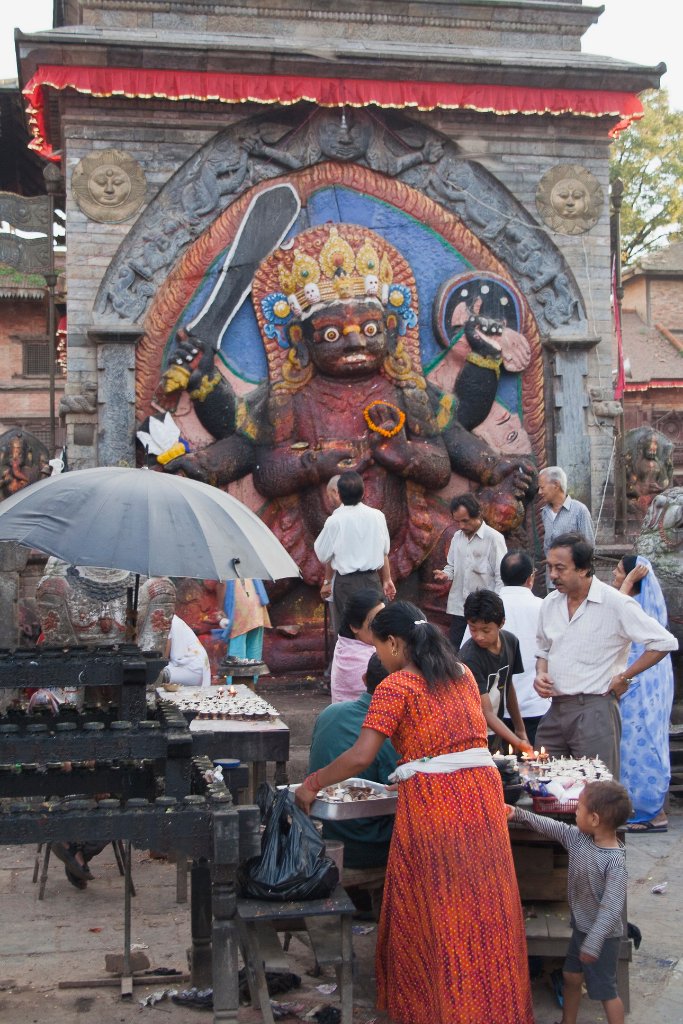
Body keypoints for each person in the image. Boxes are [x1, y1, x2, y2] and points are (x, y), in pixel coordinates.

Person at [296, 601, 534, 1024]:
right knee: (485, 908)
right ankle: (496, 1009)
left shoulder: (397, 686)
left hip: (436, 803)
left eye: (378, 647)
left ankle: (444, 1011)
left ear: (393, 642)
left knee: (435, 908)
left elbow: (360, 756)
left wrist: (312, 783)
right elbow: (455, 742)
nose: (379, 658)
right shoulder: (461, 675)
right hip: (481, 796)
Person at [534, 533, 678, 779]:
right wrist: (540, 674)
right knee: (549, 788)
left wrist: (626, 676)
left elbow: (664, 642)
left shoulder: (616, 603)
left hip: (595, 709)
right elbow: (543, 649)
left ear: (583, 569)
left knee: (598, 794)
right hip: (555, 710)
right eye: (550, 568)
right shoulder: (550, 603)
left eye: (560, 568)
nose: (553, 575)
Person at [508, 781, 632, 1024]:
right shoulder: (580, 839)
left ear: (594, 819)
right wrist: (520, 814)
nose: (575, 812)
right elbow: (553, 827)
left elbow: (611, 909)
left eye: (579, 808)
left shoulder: (614, 863)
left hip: (603, 938)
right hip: (581, 930)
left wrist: (594, 943)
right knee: (571, 977)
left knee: (606, 991)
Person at [309, 654, 397, 871]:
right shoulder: (392, 733)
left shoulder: (329, 713)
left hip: (322, 836)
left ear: (365, 679)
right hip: (366, 850)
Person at [613, 554, 675, 833]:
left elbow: (614, 611)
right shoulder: (639, 606)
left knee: (643, 744)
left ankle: (650, 812)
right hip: (640, 688)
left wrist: (626, 583)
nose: (615, 576)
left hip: (640, 690)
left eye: (618, 572)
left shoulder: (635, 608)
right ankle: (649, 809)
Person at [314, 470, 395, 624]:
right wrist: (387, 579)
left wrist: (327, 581)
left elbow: (323, 555)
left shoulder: (335, 521)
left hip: (346, 584)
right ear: (363, 492)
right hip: (372, 581)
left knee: (348, 630)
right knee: (374, 629)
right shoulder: (378, 516)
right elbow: (385, 551)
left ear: (339, 493)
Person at [458, 589, 532, 755]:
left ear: (501, 623)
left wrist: (520, 729)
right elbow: (486, 712)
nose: (479, 637)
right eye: (473, 629)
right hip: (471, 735)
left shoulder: (511, 642)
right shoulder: (469, 657)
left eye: (486, 630)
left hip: (496, 730)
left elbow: (508, 685)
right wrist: (519, 743)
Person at [432, 491, 507, 649]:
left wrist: (497, 607)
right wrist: (445, 574)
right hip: (460, 607)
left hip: (484, 611)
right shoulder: (457, 538)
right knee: (455, 650)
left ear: (478, 514)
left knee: (482, 650)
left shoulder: (494, 539)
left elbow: (502, 577)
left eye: (465, 521)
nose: (462, 526)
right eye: (458, 522)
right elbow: (451, 566)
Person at [499, 550, 549, 746]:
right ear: (531, 578)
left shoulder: (487, 606)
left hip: (496, 710)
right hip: (535, 703)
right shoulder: (544, 607)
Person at [539, 466, 595, 589]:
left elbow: (589, 546)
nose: (539, 492)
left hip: (574, 580)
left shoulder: (579, 510)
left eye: (542, 488)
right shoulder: (544, 513)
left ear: (556, 484)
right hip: (552, 580)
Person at [330, 589, 386, 703]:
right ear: (354, 627)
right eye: (375, 622)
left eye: (385, 619)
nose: (384, 627)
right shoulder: (364, 660)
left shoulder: (344, 643)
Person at [217, 578, 270, 687]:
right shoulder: (249, 563)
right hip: (258, 606)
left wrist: (220, 609)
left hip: (240, 607)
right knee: (254, 648)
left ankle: (235, 686)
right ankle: (251, 684)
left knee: (237, 650)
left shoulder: (224, 563)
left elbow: (222, 584)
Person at [162, 614, 211, 687]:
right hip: (185, 665)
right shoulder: (168, 617)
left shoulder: (166, 620)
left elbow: (163, 659)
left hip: (193, 668)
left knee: (156, 674)